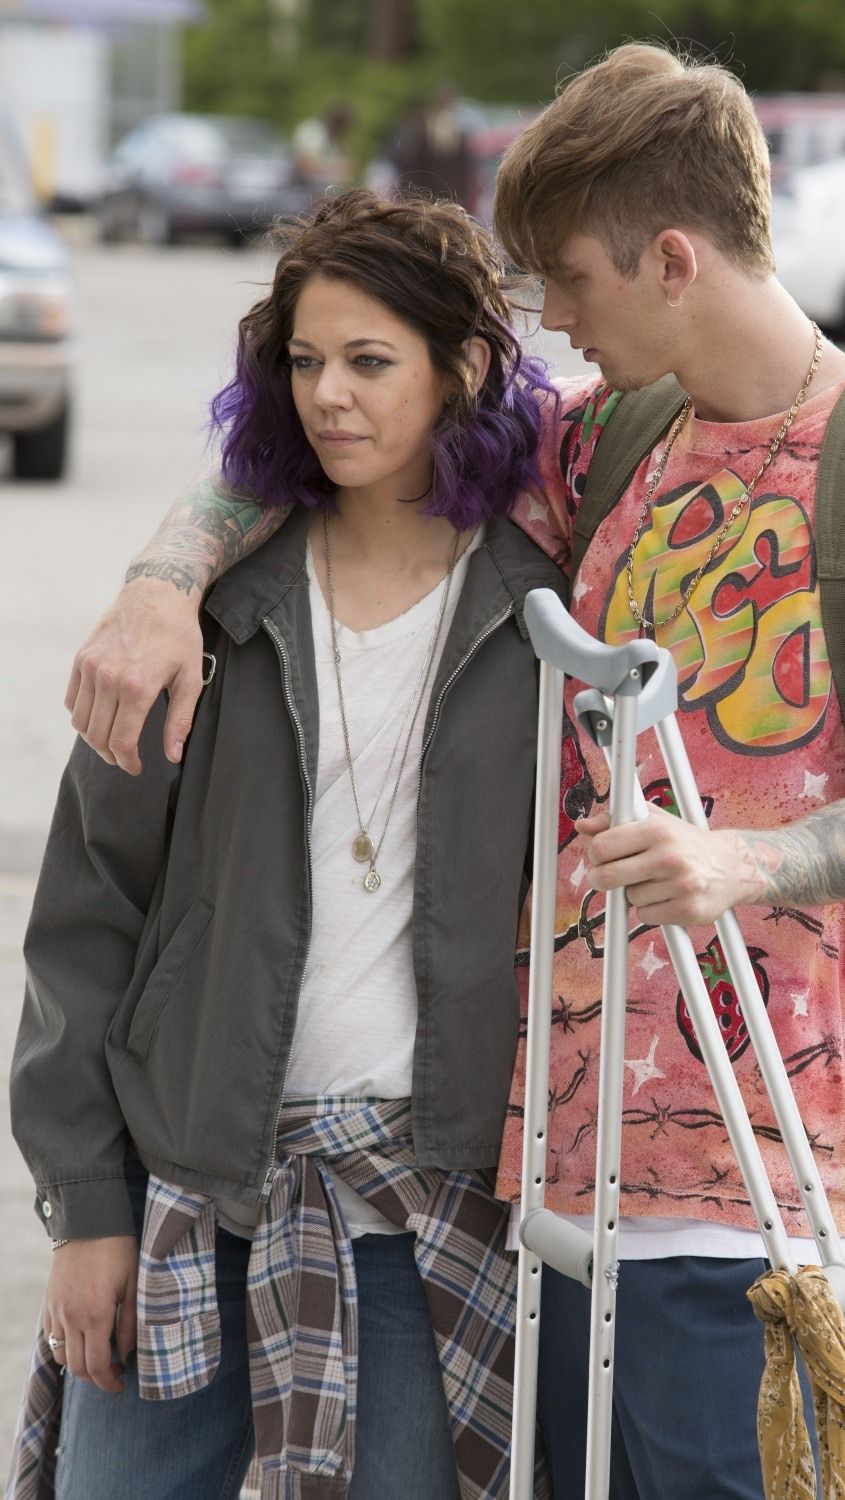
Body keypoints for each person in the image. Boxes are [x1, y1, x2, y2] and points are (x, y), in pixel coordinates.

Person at [50, 41, 845, 1498]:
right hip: (549, 1185)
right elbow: (330, 427)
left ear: (671, 262)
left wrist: (752, 859)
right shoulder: (607, 439)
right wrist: (164, 580)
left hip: (761, 1186)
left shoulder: (829, 462)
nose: (549, 319)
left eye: (570, 281)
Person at [8, 189, 566, 1500]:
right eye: (306, 362)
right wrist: (86, 1210)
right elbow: (86, 915)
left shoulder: (544, 618)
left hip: (429, 1209)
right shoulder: (202, 617)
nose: (328, 397)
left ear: (461, 367)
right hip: (192, 1190)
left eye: (369, 361)